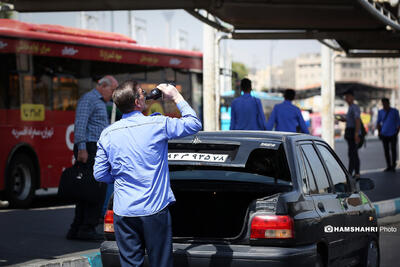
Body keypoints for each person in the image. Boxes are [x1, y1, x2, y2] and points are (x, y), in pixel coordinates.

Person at [94, 81, 202, 267]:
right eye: (142, 93)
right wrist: (176, 96)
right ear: (137, 102)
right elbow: (194, 124)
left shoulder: (107, 134)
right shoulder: (157, 124)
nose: (145, 94)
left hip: (124, 211)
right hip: (154, 210)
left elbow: (99, 173)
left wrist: (122, 177)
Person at [66, 75, 119, 241]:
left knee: (86, 191)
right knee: (94, 190)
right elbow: (80, 125)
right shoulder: (89, 99)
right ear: (103, 86)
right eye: (112, 90)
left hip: (94, 147)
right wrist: (81, 149)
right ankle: (86, 227)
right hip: (89, 148)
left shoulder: (102, 103)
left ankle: (77, 228)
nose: (113, 94)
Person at [340, 89, 362, 178]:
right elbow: (352, 119)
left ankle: (351, 173)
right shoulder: (350, 107)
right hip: (351, 132)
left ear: (352, 97)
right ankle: (356, 173)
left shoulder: (354, 107)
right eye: (345, 97)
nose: (346, 98)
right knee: (353, 153)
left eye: (348, 96)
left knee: (352, 154)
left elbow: (357, 120)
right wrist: (344, 119)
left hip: (353, 133)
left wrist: (356, 134)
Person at [376, 98, 400, 172]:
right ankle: (388, 166)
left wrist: (397, 132)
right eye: (383, 104)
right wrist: (379, 133)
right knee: (386, 151)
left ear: (388, 103)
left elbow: (398, 122)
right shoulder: (380, 112)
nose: (384, 105)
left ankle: (393, 165)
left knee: (393, 150)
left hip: (393, 134)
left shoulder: (395, 111)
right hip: (384, 134)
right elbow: (378, 123)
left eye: (385, 103)